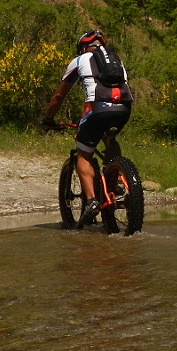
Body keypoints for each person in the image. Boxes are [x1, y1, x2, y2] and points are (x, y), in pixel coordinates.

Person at [42, 30, 133, 225]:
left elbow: (59, 96)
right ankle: (114, 178)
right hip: (124, 108)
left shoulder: (80, 60)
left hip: (97, 108)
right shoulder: (116, 60)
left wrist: (48, 118)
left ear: (82, 47)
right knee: (110, 139)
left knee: (83, 154)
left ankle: (91, 201)